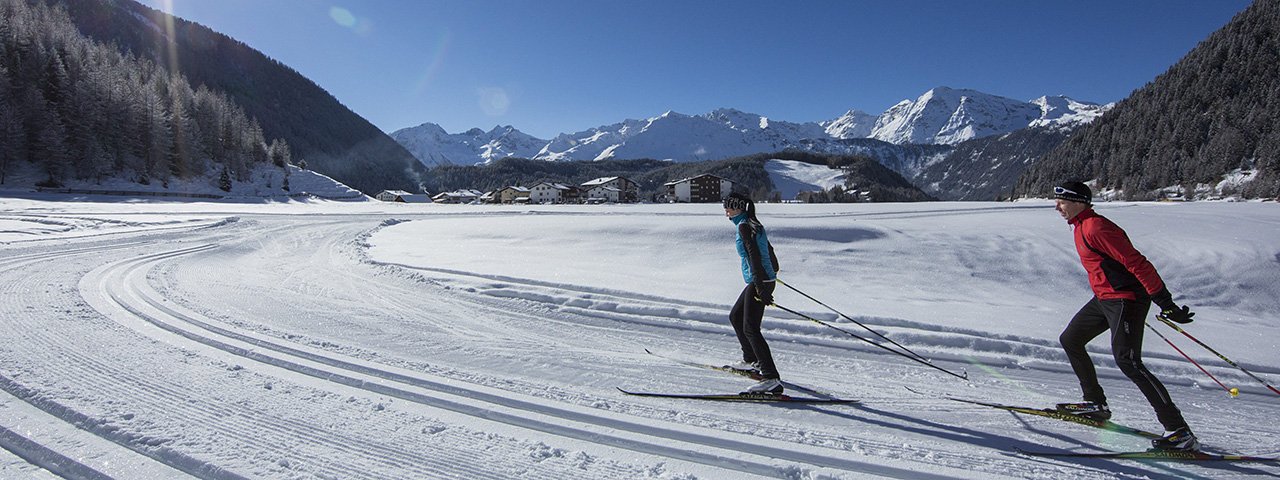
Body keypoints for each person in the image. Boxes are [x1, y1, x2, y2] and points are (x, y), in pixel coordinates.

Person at [1052, 181, 1199, 451]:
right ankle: (1095, 403)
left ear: (1078, 202)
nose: (1056, 206)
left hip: (1125, 300)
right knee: (1071, 340)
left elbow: (1137, 262)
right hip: (1105, 299)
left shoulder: (1097, 227)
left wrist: (1164, 301)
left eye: (1062, 201)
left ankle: (1179, 431)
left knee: (1128, 362)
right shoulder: (1080, 226)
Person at [722, 192, 784, 394]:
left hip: (759, 281)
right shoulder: (753, 223)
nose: (726, 212)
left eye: (729, 208)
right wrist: (772, 273)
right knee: (735, 316)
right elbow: (769, 249)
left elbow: (754, 255)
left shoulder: (743, 226)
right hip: (762, 279)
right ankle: (751, 361)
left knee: (751, 328)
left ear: (738, 208)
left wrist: (761, 284)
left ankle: (770, 377)